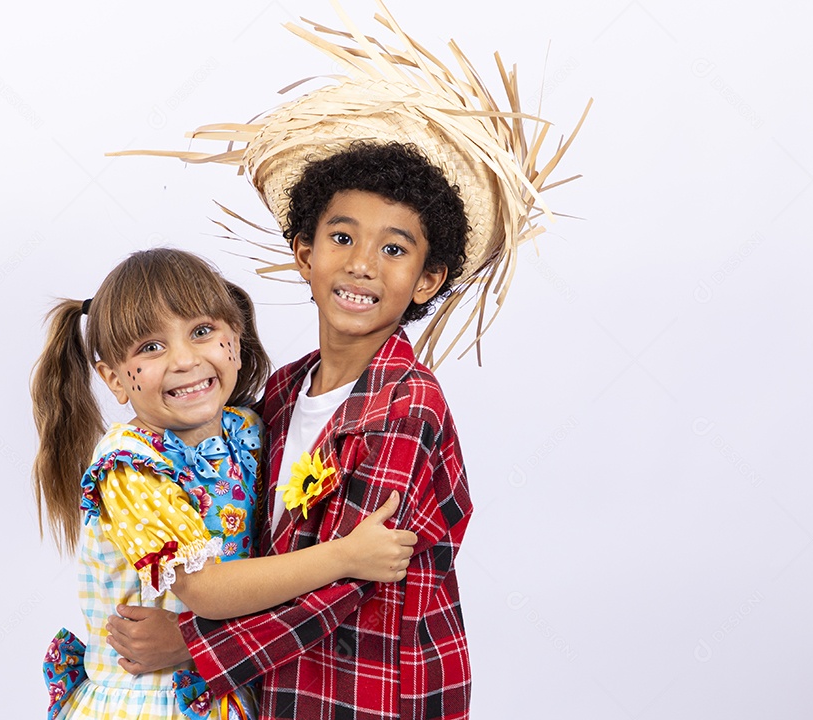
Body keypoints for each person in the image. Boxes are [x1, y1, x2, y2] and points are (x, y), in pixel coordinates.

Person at [102, 6, 588, 719]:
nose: (362, 264)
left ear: (426, 279)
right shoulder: (279, 393)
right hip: (282, 688)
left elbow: (351, 577)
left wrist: (192, 644)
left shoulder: (407, 404)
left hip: (373, 687)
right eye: (341, 238)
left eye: (394, 248)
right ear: (305, 253)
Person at [30, 248, 418, 720]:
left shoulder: (249, 429)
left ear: (236, 335)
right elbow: (207, 590)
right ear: (114, 379)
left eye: (201, 331)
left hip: (230, 685)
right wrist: (345, 556)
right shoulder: (132, 468)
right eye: (150, 347)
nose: (184, 359)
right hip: (151, 702)